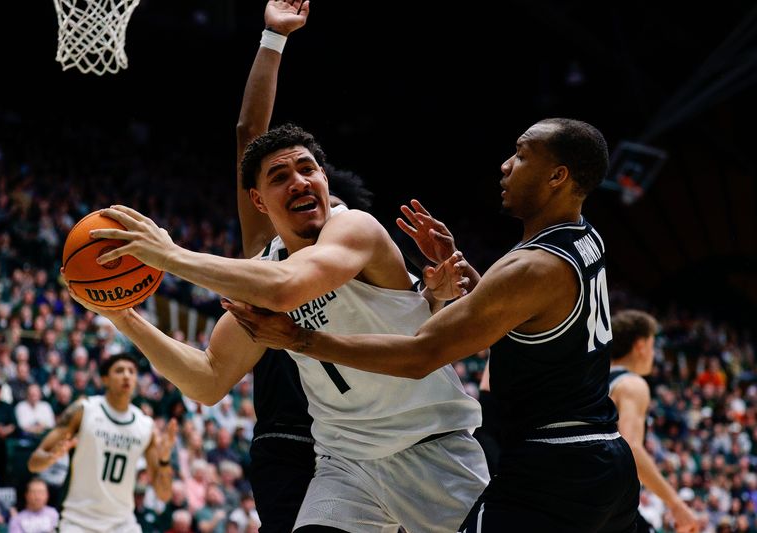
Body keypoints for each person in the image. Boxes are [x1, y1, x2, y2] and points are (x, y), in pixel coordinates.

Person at [224, 118, 641, 532]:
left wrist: (300, 339)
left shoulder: (530, 267)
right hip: (602, 451)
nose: (506, 165)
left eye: (521, 155)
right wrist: (453, 280)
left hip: (555, 462)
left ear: (557, 176)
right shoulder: (584, 237)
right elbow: (511, 312)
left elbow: (420, 354)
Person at [70, 127, 487, 532]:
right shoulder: (263, 274)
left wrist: (171, 256)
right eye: (280, 177)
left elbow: (289, 289)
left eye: (308, 170)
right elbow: (208, 379)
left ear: (324, 178)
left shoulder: (355, 227)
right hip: (347, 463)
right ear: (258, 200)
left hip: (430, 443)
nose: (299, 182)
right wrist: (123, 316)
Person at [232, 2, 467, 530]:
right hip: (300, 438)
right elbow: (250, 133)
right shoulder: (267, 249)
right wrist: (273, 38)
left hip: (383, 438)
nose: (304, 193)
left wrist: (436, 297)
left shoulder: (362, 255)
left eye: (323, 198)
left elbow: (418, 342)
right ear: (266, 203)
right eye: (283, 183)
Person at [27, 354, 178, 533]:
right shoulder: (84, 410)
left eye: (132, 371)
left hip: (122, 523)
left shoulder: (145, 426)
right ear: (105, 379)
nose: (127, 376)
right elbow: (33, 463)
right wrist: (51, 457)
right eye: (119, 371)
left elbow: (164, 494)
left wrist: (164, 460)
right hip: (79, 521)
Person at [610, 309, 700, 533]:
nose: (654, 352)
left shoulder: (594, 378)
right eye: (652, 344)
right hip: (607, 497)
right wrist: (676, 504)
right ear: (640, 345)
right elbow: (630, 448)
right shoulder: (632, 384)